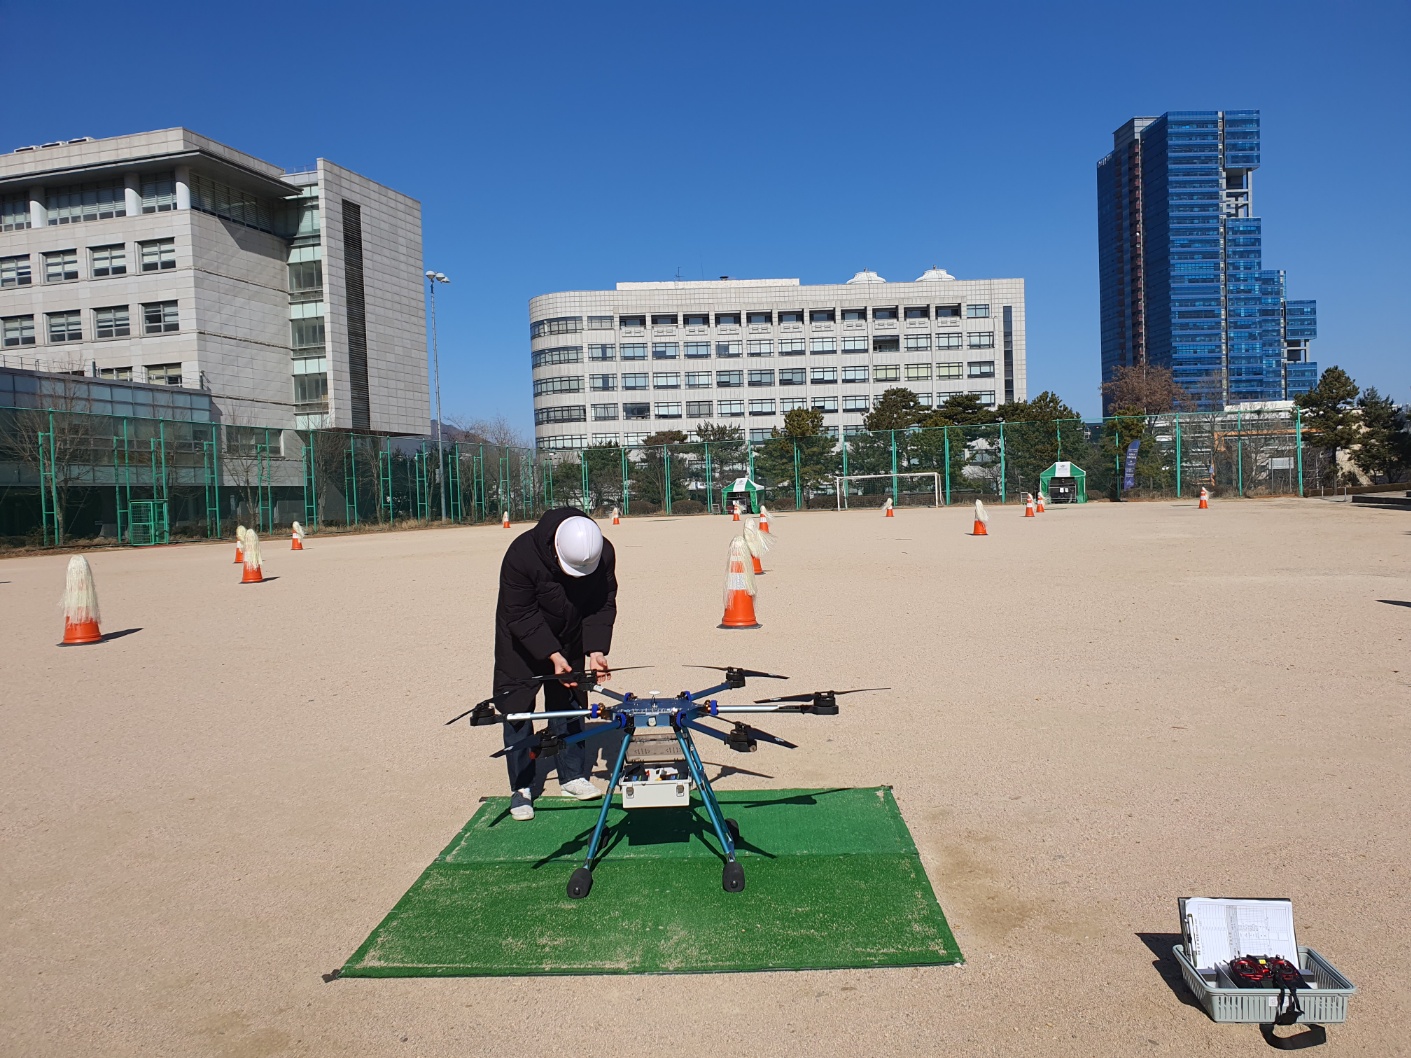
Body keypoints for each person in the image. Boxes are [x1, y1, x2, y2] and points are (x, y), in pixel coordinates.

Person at [494, 507, 617, 821]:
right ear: (555, 548)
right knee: (518, 706)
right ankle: (522, 787)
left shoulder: (601, 553)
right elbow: (520, 614)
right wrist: (550, 653)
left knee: (572, 701)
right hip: (519, 640)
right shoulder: (521, 555)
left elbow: (602, 603)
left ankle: (572, 775)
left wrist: (596, 650)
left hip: (571, 634)